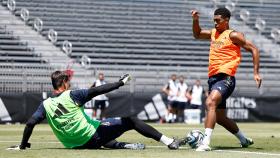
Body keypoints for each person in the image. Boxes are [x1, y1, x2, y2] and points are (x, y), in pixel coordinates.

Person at [7, 71, 185, 150]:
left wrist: (23, 146)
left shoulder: (45, 104)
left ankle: (122, 146)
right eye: (68, 82)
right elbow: (98, 90)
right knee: (131, 121)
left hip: (74, 145)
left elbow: (30, 123)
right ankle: (169, 141)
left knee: (102, 127)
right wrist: (120, 83)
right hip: (92, 137)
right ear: (64, 84)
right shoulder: (72, 95)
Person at [191, 8, 262, 151]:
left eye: (218, 20)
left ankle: (205, 143)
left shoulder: (233, 35)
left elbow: (254, 49)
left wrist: (256, 73)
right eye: (214, 20)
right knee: (221, 118)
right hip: (213, 79)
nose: (215, 23)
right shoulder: (213, 33)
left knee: (210, 102)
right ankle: (244, 139)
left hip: (226, 78)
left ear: (226, 20)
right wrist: (195, 20)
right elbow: (197, 34)